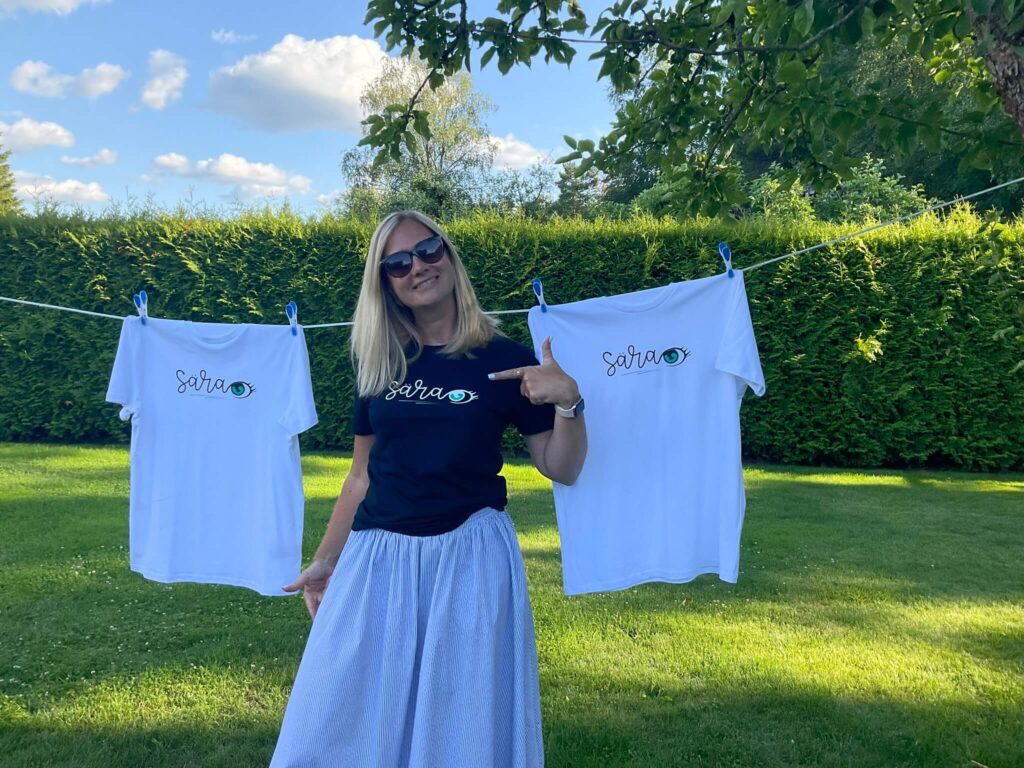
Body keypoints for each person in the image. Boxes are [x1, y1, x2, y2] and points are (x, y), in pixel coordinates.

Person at [269, 210, 588, 767]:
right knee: (332, 715)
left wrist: (568, 400)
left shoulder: (507, 361)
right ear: (385, 285)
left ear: (449, 255)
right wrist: (325, 560)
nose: (417, 266)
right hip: (377, 559)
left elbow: (561, 466)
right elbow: (360, 476)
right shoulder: (381, 362)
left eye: (428, 250)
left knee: (458, 721)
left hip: (469, 558)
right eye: (397, 263)